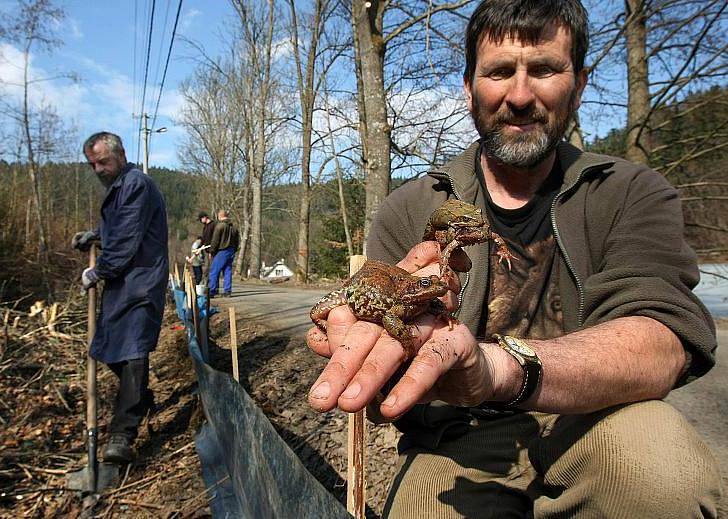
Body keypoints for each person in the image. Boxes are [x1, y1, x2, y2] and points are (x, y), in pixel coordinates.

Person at [306, 1, 722, 517]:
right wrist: (376, 337)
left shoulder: (631, 190)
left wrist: (498, 367)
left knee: (662, 475)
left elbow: (661, 338)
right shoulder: (412, 206)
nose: (520, 96)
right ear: (469, 86)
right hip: (456, 437)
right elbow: (383, 357)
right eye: (499, 71)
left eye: (545, 69)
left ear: (580, 83)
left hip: (598, 419)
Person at [72, 131, 168, 463]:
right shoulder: (119, 188)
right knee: (106, 347)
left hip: (140, 280)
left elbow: (127, 238)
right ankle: (139, 397)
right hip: (122, 282)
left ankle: (121, 434)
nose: (98, 169)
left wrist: (97, 272)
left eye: (103, 162)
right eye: (92, 164)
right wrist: (95, 236)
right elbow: (117, 227)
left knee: (132, 352)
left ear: (121, 155)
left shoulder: (136, 184)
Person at [208, 209, 240, 298]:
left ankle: (211, 290)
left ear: (220, 216)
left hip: (222, 251)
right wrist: (235, 249)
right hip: (231, 250)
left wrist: (211, 251)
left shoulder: (220, 226)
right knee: (227, 270)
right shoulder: (234, 226)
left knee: (214, 271)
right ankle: (227, 291)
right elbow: (237, 240)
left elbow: (215, 240)